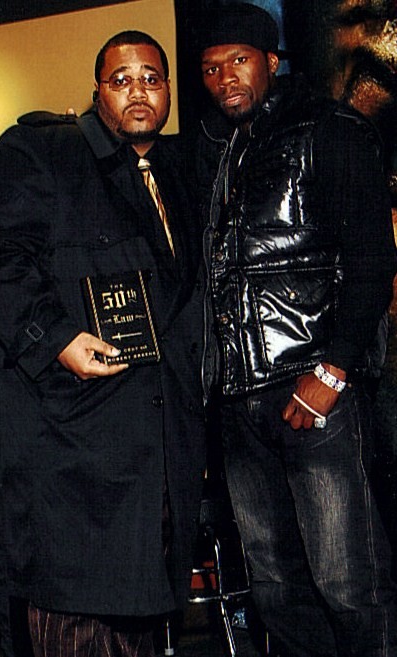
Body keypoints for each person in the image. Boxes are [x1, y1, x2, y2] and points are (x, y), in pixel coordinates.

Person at [0, 30, 206, 657]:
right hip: (71, 450)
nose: (138, 92)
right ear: (97, 90)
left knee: (142, 622)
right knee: (73, 617)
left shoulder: (181, 171)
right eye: (121, 80)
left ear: (169, 90)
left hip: (156, 451)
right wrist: (56, 338)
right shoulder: (43, 150)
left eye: (151, 79)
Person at [192, 4, 397, 656]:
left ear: (271, 62)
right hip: (239, 402)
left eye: (239, 60)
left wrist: (331, 371)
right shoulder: (221, 150)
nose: (225, 77)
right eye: (211, 67)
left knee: (348, 581)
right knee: (276, 586)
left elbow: (371, 259)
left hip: (312, 392)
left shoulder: (327, 128)